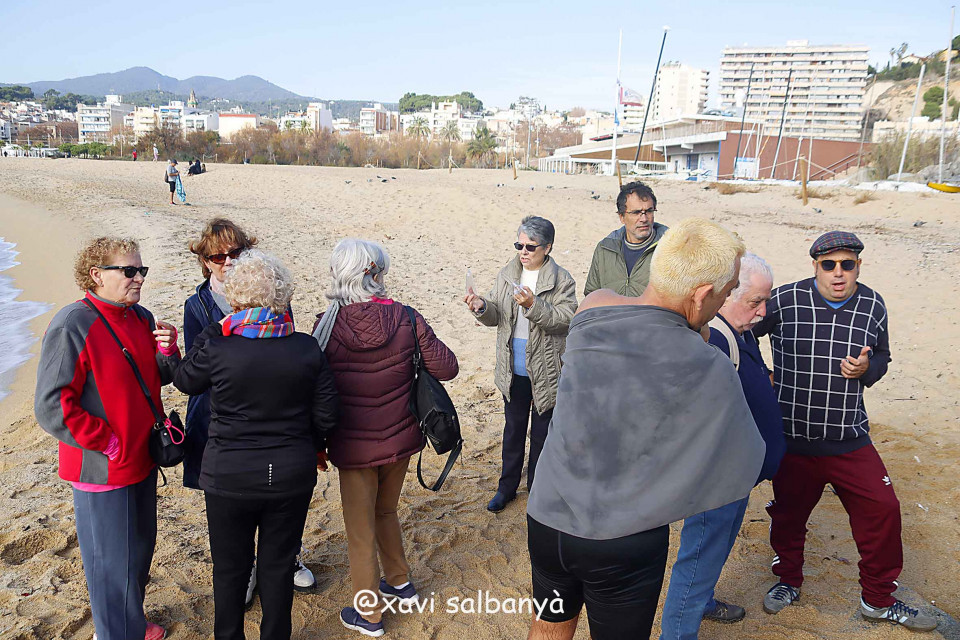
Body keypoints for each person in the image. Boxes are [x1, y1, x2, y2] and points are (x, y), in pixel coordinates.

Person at [526, 218, 766, 640]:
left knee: (548, 625)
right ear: (702, 295)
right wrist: (698, 328)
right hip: (622, 539)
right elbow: (747, 462)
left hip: (547, 514)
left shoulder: (592, 309)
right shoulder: (708, 363)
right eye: (726, 293)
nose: (724, 303)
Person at [753, 231, 937, 632]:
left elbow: (883, 356)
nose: (838, 273)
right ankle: (788, 580)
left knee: (884, 509)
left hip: (848, 436)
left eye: (847, 264)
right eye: (829, 265)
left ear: (858, 266)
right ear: (815, 266)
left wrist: (867, 369)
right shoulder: (785, 299)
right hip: (793, 436)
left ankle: (878, 599)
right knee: (788, 514)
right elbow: (743, 329)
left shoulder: (872, 304)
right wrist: (759, 374)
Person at [174, 249, 339, 640]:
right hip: (290, 471)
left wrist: (214, 330)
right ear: (282, 297)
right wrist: (313, 445)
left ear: (235, 298)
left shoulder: (220, 346)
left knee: (230, 569)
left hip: (230, 474)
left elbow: (184, 379)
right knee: (277, 566)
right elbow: (328, 413)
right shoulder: (305, 347)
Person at [34, 237, 180, 640]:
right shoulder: (72, 323)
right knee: (110, 566)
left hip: (144, 457)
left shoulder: (141, 317)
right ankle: (115, 633)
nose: (139, 278)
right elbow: (51, 405)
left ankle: (130, 624)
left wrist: (169, 352)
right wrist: (107, 442)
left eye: (141, 270)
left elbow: (160, 377)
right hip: (102, 467)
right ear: (96, 275)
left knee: (138, 554)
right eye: (129, 271)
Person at [312, 239, 458, 637]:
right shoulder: (406, 317)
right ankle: (399, 582)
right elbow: (447, 368)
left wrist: (316, 442)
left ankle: (370, 614)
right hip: (399, 438)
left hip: (353, 445)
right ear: (376, 275)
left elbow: (314, 391)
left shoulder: (326, 325)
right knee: (386, 512)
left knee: (360, 531)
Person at [182, 219, 316, 602]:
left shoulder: (275, 292)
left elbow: (289, 348)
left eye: (235, 253)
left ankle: (288, 557)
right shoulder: (197, 305)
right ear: (205, 261)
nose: (227, 261)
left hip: (276, 412)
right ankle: (244, 570)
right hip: (221, 415)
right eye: (217, 256)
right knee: (230, 501)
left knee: (281, 491)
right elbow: (194, 369)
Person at [659, 252, 786, 640]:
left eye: (765, 301)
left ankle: (703, 601)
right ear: (727, 294)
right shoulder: (711, 341)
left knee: (713, 552)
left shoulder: (740, 332)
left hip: (737, 476)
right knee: (698, 558)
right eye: (755, 301)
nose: (763, 312)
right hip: (716, 481)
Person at [463, 216, 577, 513]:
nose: (523, 252)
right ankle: (506, 488)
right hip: (513, 368)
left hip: (546, 371)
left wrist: (533, 305)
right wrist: (481, 307)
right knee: (513, 430)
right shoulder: (507, 273)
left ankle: (537, 491)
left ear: (547, 247)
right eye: (519, 245)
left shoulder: (562, 280)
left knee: (542, 435)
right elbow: (496, 315)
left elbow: (565, 321)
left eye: (530, 247)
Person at [582, 180, 668, 297]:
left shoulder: (671, 247)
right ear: (622, 217)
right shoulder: (605, 249)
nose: (644, 219)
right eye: (636, 212)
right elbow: (592, 295)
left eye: (649, 211)